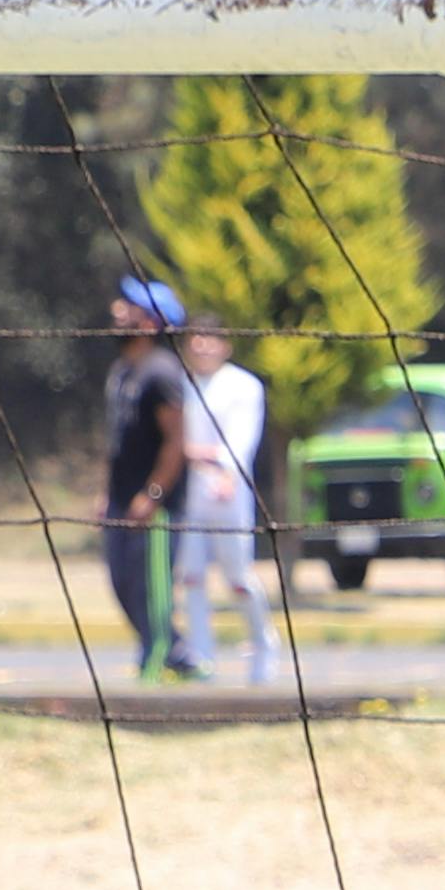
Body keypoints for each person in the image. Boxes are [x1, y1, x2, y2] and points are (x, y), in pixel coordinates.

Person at [98, 282, 201, 682]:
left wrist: (153, 494)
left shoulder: (162, 373)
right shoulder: (123, 370)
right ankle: (181, 657)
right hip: (121, 499)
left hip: (156, 505)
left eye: (128, 305)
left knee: (152, 589)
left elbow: (177, 442)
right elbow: (116, 441)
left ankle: (155, 664)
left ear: (150, 321)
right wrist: (106, 493)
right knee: (123, 583)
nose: (116, 308)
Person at [175, 317, 284, 687]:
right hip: (189, 495)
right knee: (190, 578)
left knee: (238, 578)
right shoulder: (180, 384)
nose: (202, 346)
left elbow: (240, 442)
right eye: (196, 339)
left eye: (211, 339)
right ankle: (202, 657)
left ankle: (263, 643)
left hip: (228, 494)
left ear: (226, 345)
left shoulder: (243, 385)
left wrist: (217, 466)